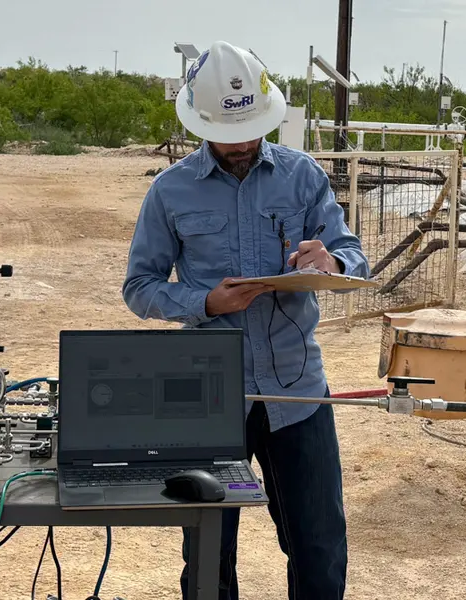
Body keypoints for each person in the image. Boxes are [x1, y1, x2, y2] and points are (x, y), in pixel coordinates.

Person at [121, 40, 369, 600]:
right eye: (230, 133)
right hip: (209, 394)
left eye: (254, 127)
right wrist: (206, 303)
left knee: (319, 545)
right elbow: (139, 288)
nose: (244, 142)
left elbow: (354, 257)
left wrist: (332, 261)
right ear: (199, 123)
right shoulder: (170, 191)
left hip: (298, 394)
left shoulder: (303, 177)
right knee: (208, 551)